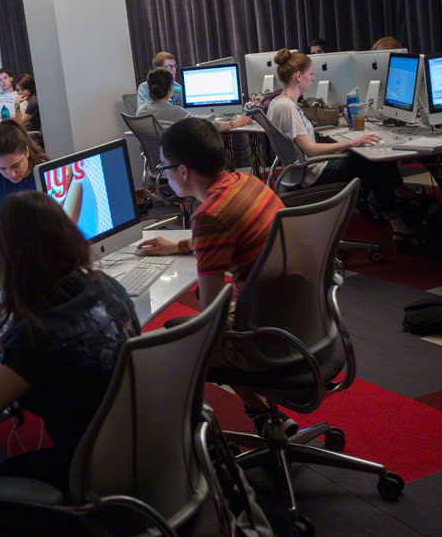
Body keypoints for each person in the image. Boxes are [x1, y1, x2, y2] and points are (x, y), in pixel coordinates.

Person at [0, 191, 140, 534]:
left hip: (94, 476)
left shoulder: (37, 333)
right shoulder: (107, 286)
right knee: (10, 471)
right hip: (141, 453)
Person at [136, 117, 290, 434]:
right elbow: (235, 230)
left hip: (264, 336)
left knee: (157, 346)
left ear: (182, 171)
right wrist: (182, 246)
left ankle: (186, 447)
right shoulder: (246, 183)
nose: (162, 174)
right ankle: (260, 412)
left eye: (163, 167)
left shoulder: (208, 216)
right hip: (294, 314)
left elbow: (211, 315)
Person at [265, 48, 418, 247]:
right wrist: (351, 143)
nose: (313, 78)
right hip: (312, 174)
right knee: (372, 161)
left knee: (365, 156)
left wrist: (345, 146)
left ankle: (393, 205)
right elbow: (310, 149)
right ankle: (398, 223)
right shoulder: (287, 107)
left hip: (300, 172)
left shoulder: (278, 103)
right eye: (310, 74)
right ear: (298, 76)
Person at [137, 67, 252, 131]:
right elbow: (208, 127)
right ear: (171, 87)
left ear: (149, 87)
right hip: (182, 166)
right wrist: (235, 123)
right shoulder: (175, 112)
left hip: (155, 168)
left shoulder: (141, 111)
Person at [0, 120, 48, 209]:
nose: (11, 174)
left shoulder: (46, 174)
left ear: (26, 151)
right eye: (2, 169)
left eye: (16, 165)